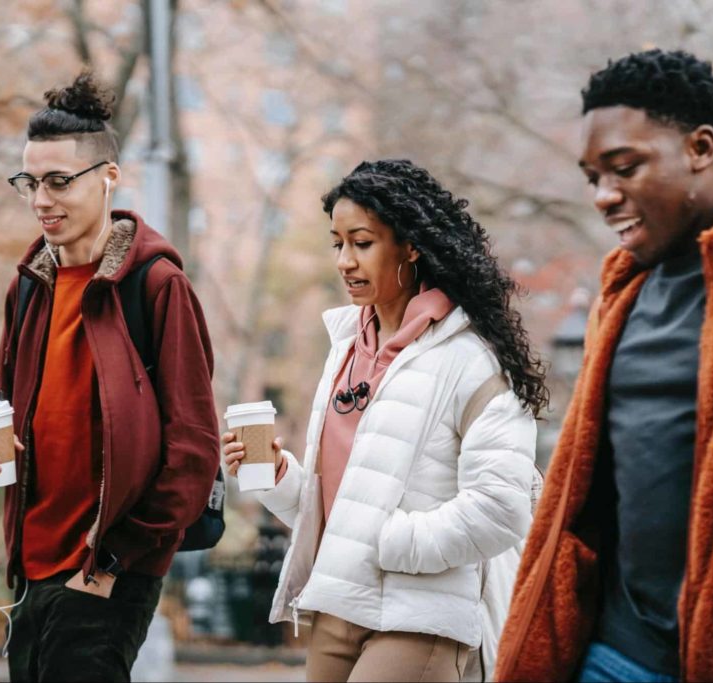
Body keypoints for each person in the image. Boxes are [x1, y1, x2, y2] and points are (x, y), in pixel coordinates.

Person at [495, 49, 713, 683]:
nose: (605, 196)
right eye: (592, 177)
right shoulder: (622, 291)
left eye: (625, 167)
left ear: (700, 147)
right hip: (613, 652)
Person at [222, 159, 547, 682]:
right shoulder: (346, 348)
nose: (344, 261)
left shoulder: (471, 360)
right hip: (337, 605)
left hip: (418, 616)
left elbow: (501, 509)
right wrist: (280, 477)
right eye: (337, 244)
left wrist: (390, 542)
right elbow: (343, 505)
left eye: (362, 242)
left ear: (411, 245)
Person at [0, 72, 220, 682]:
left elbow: (194, 448)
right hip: (32, 563)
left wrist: (114, 560)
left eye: (58, 181)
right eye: (29, 182)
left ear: (108, 178)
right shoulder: (29, 287)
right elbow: (8, 404)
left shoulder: (155, 285)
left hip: (108, 566)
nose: (40, 200)